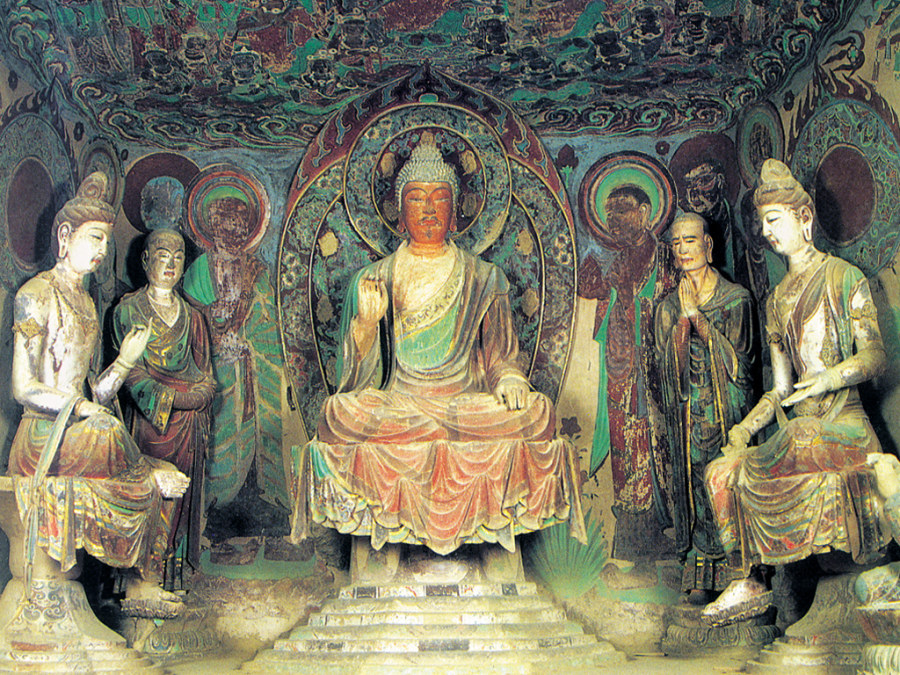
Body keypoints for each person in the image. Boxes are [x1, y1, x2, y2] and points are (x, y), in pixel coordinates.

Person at [292, 138, 585, 556]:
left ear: (457, 210)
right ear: (398, 214)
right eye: (416, 198)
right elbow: (357, 380)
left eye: (439, 198)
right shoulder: (373, 278)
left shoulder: (484, 277)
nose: (428, 209)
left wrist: (510, 379)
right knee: (338, 414)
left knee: (538, 414)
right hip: (401, 405)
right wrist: (366, 324)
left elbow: (500, 359)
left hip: (464, 405)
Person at [701, 159, 888, 626]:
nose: (766, 232)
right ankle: (748, 579)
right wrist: (745, 429)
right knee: (721, 472)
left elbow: (875, 355)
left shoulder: (843, 277)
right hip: (799, 433)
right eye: (762, 223)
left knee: (802, 437)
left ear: (804, 218)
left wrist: (830, 377)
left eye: (774, 220)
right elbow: (782, 388)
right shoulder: (776, 300)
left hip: (843, 427)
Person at [8, 172, 189, 617]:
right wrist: (81, 407)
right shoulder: (35, 295)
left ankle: (142, 584)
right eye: (94, 238)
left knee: (162, 466)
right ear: (64, 237)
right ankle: (146, 479)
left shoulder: (88, 303)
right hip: (43, 437)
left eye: (107, 241)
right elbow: (23, 387)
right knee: (113, 436)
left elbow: (97, 392)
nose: (103, 250)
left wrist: (125, 361)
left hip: (80, 431)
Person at [655, 213, 755, 602]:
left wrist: (699, 318)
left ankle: (739, 567)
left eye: (690, 241)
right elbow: (666, 370)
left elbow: (742, 369)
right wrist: (682, 321)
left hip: (725, 411)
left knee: (727, 480)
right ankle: (699, 565)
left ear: (708, 245)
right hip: (688, 415)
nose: (683, 250)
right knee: (695, 482)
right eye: (676, 243)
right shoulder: (668, 307)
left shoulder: (736, 299)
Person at [579, 184, 677, 568]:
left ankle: (663, 537)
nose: (613, 220)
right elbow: (604, 311)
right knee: (625, 454)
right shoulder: (617, 260)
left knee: (654, 448)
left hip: (654, 374)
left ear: (645, 213)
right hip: (619, 369)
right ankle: (632, 544)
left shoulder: (666, 259)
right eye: (609, 213)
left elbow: (671, 312)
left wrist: (629, 295)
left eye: (621, 210)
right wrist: (600, 288)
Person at [113, 228, 214, 584]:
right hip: (150, 423)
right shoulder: (129, 310)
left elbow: (206, 376)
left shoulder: (193, 317)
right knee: (148, 492)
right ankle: (139, 574)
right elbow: (132, 376)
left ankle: (169, 573)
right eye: (162, 256)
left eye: (178, 257)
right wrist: (176, 399)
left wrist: (198, 396)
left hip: (188, 428)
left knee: (180, 499)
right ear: (145, 260)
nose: (170, 264)